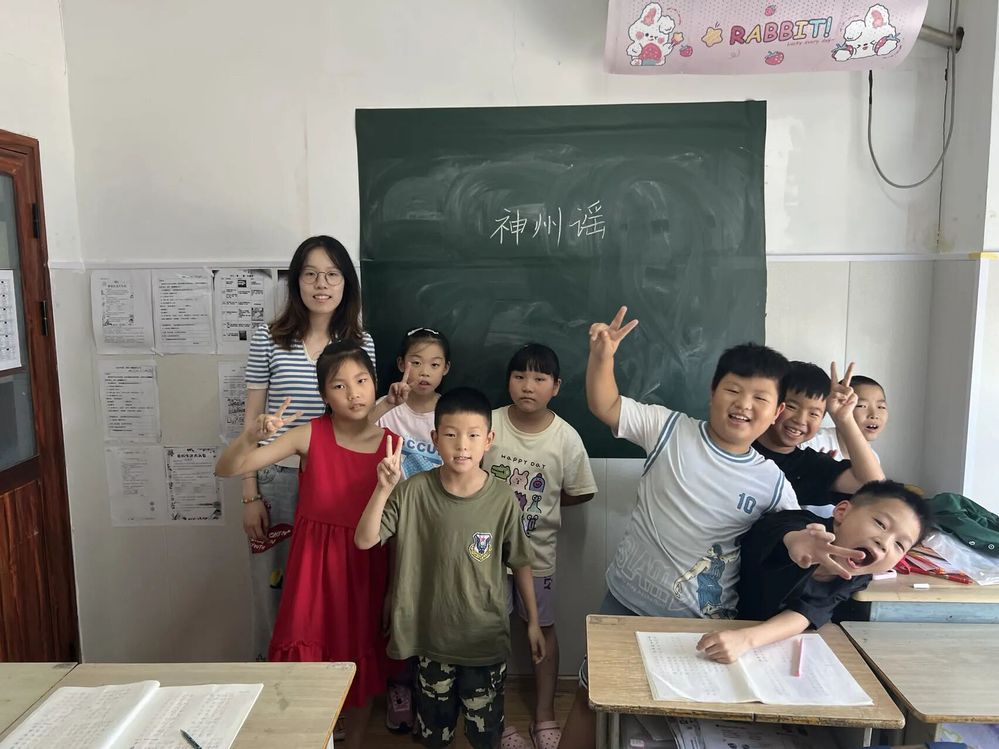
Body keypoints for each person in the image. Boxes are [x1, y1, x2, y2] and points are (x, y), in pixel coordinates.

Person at [558, 307, 799, 749]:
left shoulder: (773, 483)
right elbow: (605, 404)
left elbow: (789, 544)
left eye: (759, 398)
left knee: (678, 723)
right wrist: (602, 357)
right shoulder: (669, 429)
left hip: (701, 624)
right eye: (733, 390)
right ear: (712, 392)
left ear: (777, 411)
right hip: (626, 605)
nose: (743, 404)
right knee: (592, 699)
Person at [218, 342, 391, 749]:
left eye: (362, 381)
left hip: (364, 568)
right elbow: (226, 468)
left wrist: (393, 591)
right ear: (323, 394)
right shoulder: (309, 434)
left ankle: (354, 742)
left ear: (375, 383)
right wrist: (250, 436)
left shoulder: (392, 444)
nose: (354, 393)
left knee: (358, 657)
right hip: (313, 568)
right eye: (339, 386)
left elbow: (399, 527)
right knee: (302, 661)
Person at [355, 387, 546, 749]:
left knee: (485, 736)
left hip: (483, 640)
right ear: (434, 438)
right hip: (431, 641)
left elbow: (521, 562)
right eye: (451, 435)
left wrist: (533, 622)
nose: (462, 446)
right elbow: (364, 540)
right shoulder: (412, 491)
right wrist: (383, 489)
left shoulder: (502, 498)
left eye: (473, 435)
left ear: (488, 440)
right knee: (434, 736)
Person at [242, 235, 376, 663]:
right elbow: (251, 421)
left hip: (337, 483)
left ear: (346, 282)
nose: (322, 284)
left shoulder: (361, 343)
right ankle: (270, 680)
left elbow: (363, 417)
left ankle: (329, 685)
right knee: (275, 587)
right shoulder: (268, 338)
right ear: (296, 281)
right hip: (278, 479)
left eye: (333, 274)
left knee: (331, 590)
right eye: (311, 274)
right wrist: (249, 493)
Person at [483, 344, 596, 749]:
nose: (528, 386)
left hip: (538, 554)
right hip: (485, 555)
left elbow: (581, 490)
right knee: (489, 631)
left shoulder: (565, 437)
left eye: (539, 378)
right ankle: (494, 717)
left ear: (556, 386)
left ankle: (544, 714)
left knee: (542, 629)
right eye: (519, 377)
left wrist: (543, 506)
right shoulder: (489, 424)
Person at [699, 481, 932, 663]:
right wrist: (796, 542)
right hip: (704, 620)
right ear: (842, 512)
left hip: (748, 644)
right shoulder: (804, 526)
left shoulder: (858, 576)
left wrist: (747, 640)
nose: (885, 543)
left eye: (899, 544)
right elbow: (784, 532)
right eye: (881, 524)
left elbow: (807, 613)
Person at [370, 327, 452, 733]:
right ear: (401, 364)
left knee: (432, 607)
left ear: (446, 369)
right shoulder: (390, 411)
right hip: (396, 524)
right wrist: (386, 401)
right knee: (398, 606)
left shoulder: (449, 412)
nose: (424, 372)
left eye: (434, 364)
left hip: (439, 526)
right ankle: (399, 686)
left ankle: (429, 692)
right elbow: (353, 429)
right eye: (416, 362)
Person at [752, 361, 885, 510]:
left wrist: (844, 419)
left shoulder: (809, 467)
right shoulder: (741, 443)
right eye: (791, 406)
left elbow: (874, 486)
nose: (800, 420)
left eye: (814, 414)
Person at [801, 375, 889, 463]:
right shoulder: (811, 443)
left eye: (881, 407)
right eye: (861, 406)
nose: (874, 415)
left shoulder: (873, 458)